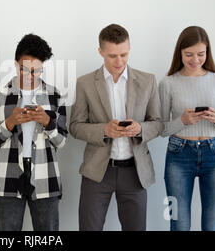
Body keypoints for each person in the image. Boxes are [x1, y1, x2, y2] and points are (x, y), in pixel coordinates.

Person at [69, 24, 162, 231]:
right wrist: (103, 130)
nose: (119, 61)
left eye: (124, 54)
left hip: (135, 172)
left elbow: (157, 123)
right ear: (101, 52)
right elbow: (75, 126)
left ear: (129, 48)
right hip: (97, 172)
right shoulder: (85, 83)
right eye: (112, 56)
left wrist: (139, 129)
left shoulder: (148, 81)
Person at [0, 34, 68, 231]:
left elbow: (62, 142)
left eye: (36, 71)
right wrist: (10, 123)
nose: (30, 76)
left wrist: (48, 123)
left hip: (45, 177)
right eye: (25, 69)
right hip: (8, 178)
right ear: (16, 64)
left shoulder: (55, 95)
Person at [159, 26, 215, 231]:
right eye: (188, 54)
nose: (195, 60)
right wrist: (182, 120)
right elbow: (161, 129)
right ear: (179, 53)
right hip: (178, 155)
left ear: (207, 53)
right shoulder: (168, 82)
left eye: (201, 54)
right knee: (179, 224)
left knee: (213, 226)